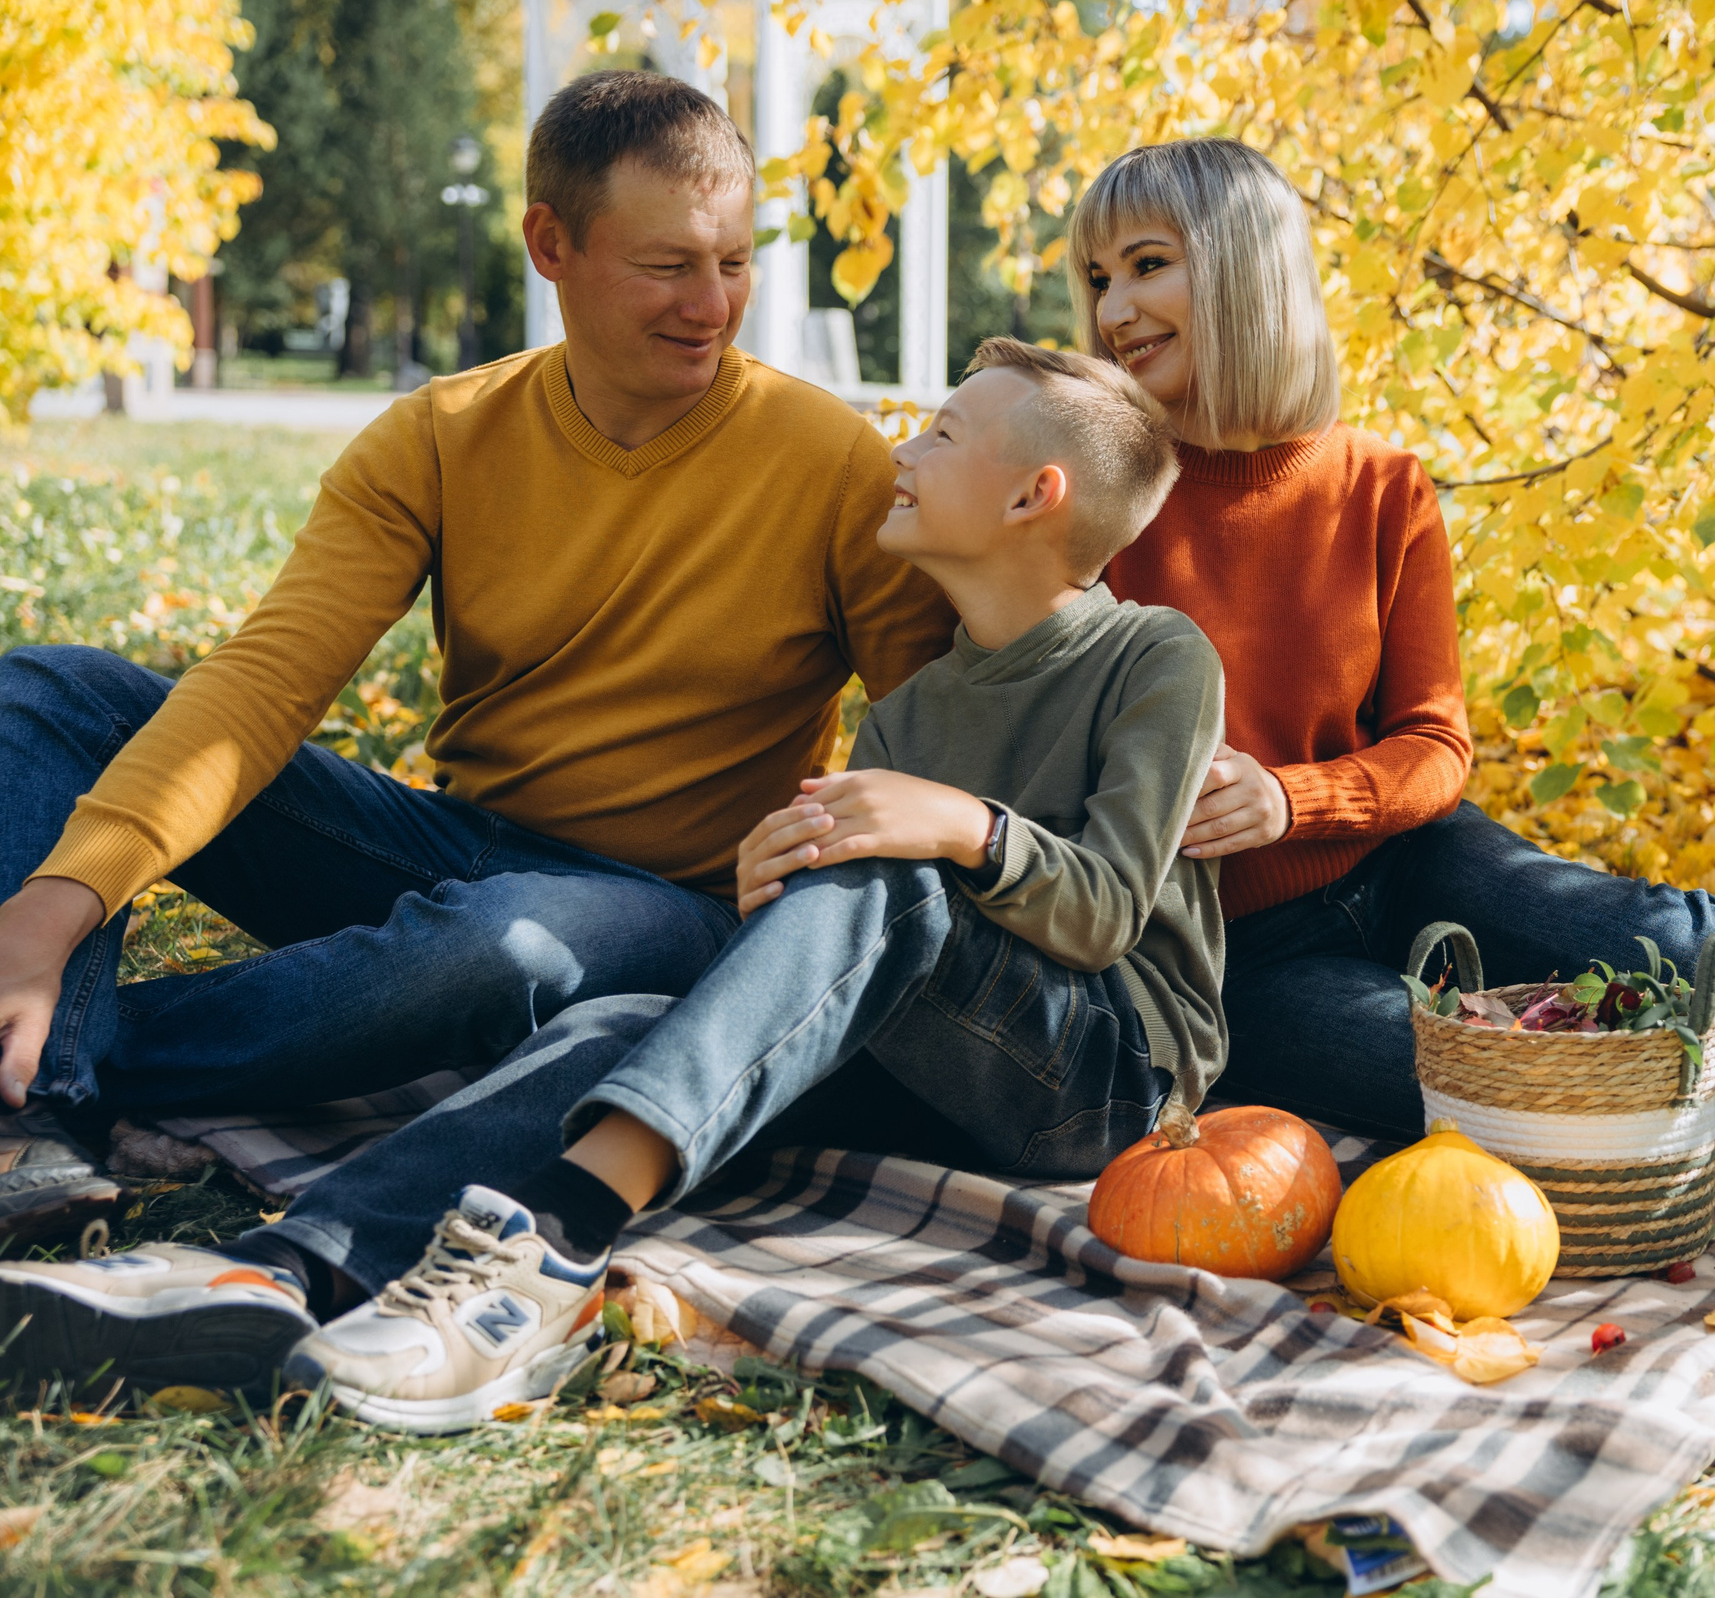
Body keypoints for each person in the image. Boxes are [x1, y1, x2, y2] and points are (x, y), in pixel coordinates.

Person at [1, 341, 1225, 1425]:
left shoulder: (1152, 654)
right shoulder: (909, 709)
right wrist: (778, 879)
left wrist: (959, 827)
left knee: (889, 875)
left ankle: (556, 1242)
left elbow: (1105, 908)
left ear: (1031, 493)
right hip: (928, 1071)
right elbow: (843, 960)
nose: (903, 447)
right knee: (632, 1030)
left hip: (1108, 1081)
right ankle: (284, 1269)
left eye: (942, 432)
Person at [0, 68, 952, 1253]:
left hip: (673, 913)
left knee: (506, 937)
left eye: (733, 260)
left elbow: (938, 742)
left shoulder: (835, 465)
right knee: (45, 694)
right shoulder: (442, 435)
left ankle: (59, 1069)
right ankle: (35, 1066)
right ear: (550, 244)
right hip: (453, 847)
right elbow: (265, 685)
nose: (711, 304)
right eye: (666, 265)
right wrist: (57, 904)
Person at [1074, 139, 1715, 1138]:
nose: (1113, 310)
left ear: (1247, 269)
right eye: (1097, 276)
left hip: (1407, 859)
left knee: (1673, 952)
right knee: (1478, 1085)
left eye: (1148, 264)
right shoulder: (1093, 508)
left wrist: (1288, 799)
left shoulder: (1381, 487)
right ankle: (1710, 1085)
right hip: (1229, 947)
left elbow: (1434, 746)